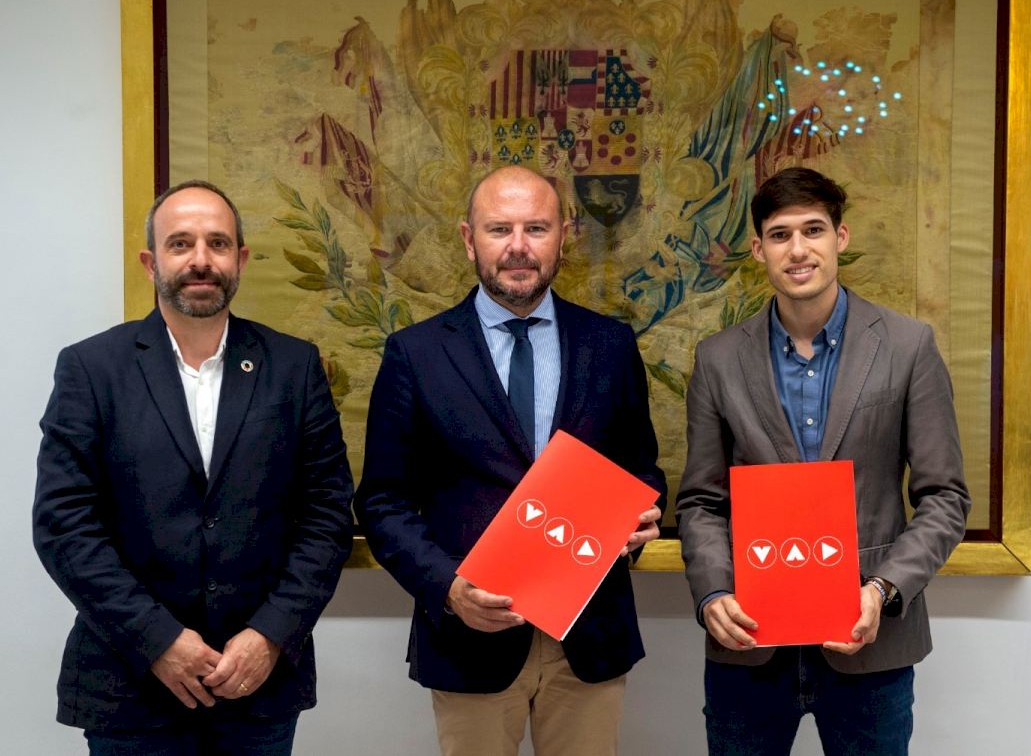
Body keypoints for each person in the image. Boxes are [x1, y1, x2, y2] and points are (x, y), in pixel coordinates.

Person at [33, 180, 354, 754]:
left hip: (256, 687)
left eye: (217, 243)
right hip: (130, 686)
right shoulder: (91, 368)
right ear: (150, 262)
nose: (200, 260)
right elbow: (64, 526)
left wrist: (269, 634)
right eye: (180, 244)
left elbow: (326, 516)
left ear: (241, 259)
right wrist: (157, 639)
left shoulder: (295, 367)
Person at [354, 165, 666, 756]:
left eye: (536, 228)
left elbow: (641, 470)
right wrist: (448, 588)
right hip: (469, 638)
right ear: (469, 239)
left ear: (564, 236)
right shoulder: (415, 354)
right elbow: (381, 501)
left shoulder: (610, 345)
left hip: (589, 637)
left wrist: (642, 512)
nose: (518, 247)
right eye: (500, 229)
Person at [676, 166, 970, 755]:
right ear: (758, 249)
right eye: (780, 235)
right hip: (749, 643)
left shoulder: (908, 346)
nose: (798, 249)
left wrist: (881, 590)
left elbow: (945, 498)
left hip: (872, 644)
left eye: (813, 230)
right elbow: (702, 501)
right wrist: (712, 594)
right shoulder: (717, 359)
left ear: (841, 237)